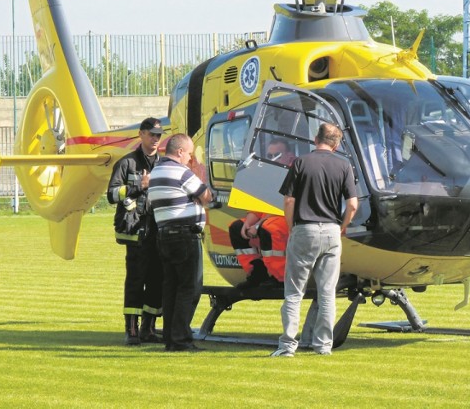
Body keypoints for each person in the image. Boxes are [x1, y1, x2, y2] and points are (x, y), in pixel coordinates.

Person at [271, 123, 358, 357]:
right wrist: (342, 226)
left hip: (304, 229)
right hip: (331, 231)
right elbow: (352, 204)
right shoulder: (343, 164)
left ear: (315, 138)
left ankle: (287, 346)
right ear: (336, 144)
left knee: (294, 292)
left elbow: (289, 201)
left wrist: (291, 228)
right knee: (327, 293)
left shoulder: (300, 162)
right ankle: (323, 346)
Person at [149, 133, 212, 352]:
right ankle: (181, 339)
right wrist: (199, 181)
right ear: (180, 152)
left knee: (171, 287)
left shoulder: (156, 172)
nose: (190, 159)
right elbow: (207, 197)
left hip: (164, 234)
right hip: (185, 234)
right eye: (189, 154)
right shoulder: (182, 172)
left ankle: (170, 337)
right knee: (190, 287)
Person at [107, 117, 164, 345]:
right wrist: (137, 186)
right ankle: (131, 330)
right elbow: (111, 195)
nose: (155, 139)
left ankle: (149, 329)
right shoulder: (126, 163)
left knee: (156, 280)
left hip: (158, 232)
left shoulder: (164, 164)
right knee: (135, 281)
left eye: (158, 136)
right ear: (141, 134)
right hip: (135, 233)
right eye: (151, 135)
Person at [228, 139, 295, 289]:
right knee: (236, 227)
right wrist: (248, 223)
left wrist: (257, 225)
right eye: (270, 156)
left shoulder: (294, 173)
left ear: (289, 155)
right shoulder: (268, 176)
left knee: (268, 229)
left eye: (277, 155)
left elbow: (283, 206)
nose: (273, 159)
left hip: (288, 219)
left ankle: (280, 278)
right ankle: (257, 272)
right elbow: (259, 205)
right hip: (268, 219)